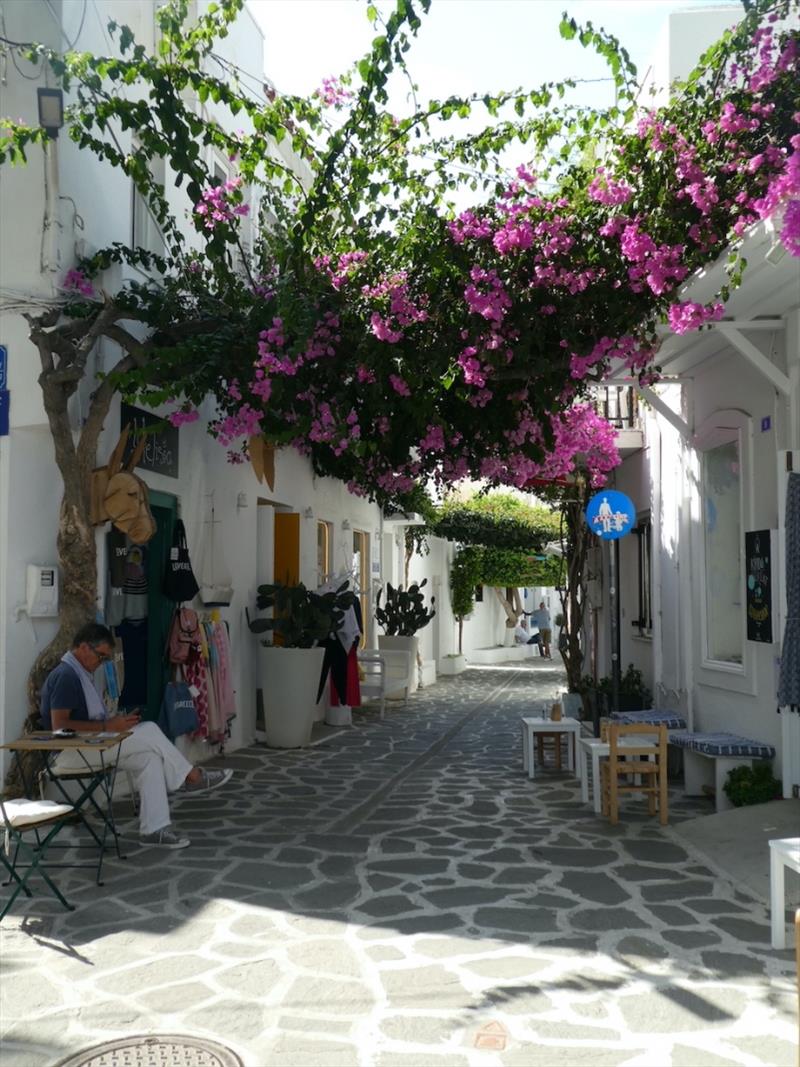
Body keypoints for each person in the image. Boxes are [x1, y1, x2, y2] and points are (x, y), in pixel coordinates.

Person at [39, 622, 232, 850]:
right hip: (68, 754)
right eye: (100, 656)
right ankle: (192, 777)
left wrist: (116, 725)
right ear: (83, 647)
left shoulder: (80, 674)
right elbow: (59, 727)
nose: (101, 663)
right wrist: (108, 725)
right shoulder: (67, 676)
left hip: (90, 746)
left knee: (149, 757)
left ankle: (154, 829)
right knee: (149, 730)